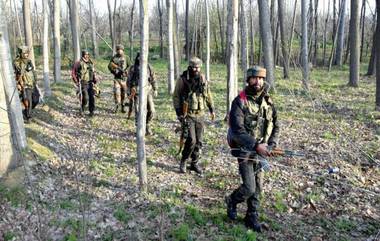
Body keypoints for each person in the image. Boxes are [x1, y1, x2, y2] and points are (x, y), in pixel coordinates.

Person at [225, 66, 280, 232]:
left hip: (261, 150)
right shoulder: (239, 102)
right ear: (248, 80)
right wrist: (256, 146)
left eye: (261, 78)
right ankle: (232, 200)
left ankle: (252, 215)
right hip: (245, 150)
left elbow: (276, 124)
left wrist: (272, 145)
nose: (258, 82)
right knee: (249, 187)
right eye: (255, 78)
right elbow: (237, 130)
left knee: (258, 187)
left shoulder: (268, 101)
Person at [173, 57, 215, 175]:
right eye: (194, 67)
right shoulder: (182, 80)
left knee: (199, 141)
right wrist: (179, 113)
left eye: (198, 67)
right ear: (190, 67)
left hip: (200, 114)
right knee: (191, 140)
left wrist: (212, 109)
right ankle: (184, 160)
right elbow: (176, 97)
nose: (196, 69)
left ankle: (194, 162)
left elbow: (207, 94)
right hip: (188, 114)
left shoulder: (202, 79)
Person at [127, 53, 157, 135]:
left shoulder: (149, 67)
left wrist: (155, 88)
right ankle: (139, 128)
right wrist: (129, 91)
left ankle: (147, 125)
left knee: (151, 110)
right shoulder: (133, 68)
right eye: (139, 58)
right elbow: (129, 81)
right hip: (136, 92)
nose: (141, 59)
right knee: (138, 111)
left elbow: (153, 78)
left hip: (147, 91)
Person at [13, 46, 37, 122]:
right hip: (24, 85)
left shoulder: (29, 61)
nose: (26, 55)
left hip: (32, 84)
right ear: (21, 53)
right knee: (28, 101)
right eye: (25, 53)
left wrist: (35, 81)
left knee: (36, 100)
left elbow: (32, 72)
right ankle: (28, 117)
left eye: (27, 53)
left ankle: (25, 112)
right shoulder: (17, 63)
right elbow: (15, 74)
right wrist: (18, 85)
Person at [108, 44, 132, 113]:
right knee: (116, 93)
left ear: (123, 50)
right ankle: (117, 106)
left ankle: (123, 106)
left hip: (124, 79)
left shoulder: (126, 58)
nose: (119, 51)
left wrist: (126, 71)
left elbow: (130, 66)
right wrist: (114, 71)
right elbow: (109, 66)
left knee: (123, 93)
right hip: (117, 79)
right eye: (118, 50)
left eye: (120, 49)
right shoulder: (114, 58)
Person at [74, 50, 96, 116]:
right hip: (83, 82)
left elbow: (93, 72)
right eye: (85, 54)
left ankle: (91, 111)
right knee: (85, 97)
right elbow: (73, 73)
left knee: (92, 97)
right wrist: (76, 81)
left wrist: (95, 80)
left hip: (90, 82)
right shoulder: (78, 63)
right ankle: (82, 108)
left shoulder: (91, 63)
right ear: (83, 55)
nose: (86, 56)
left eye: (87, 54)